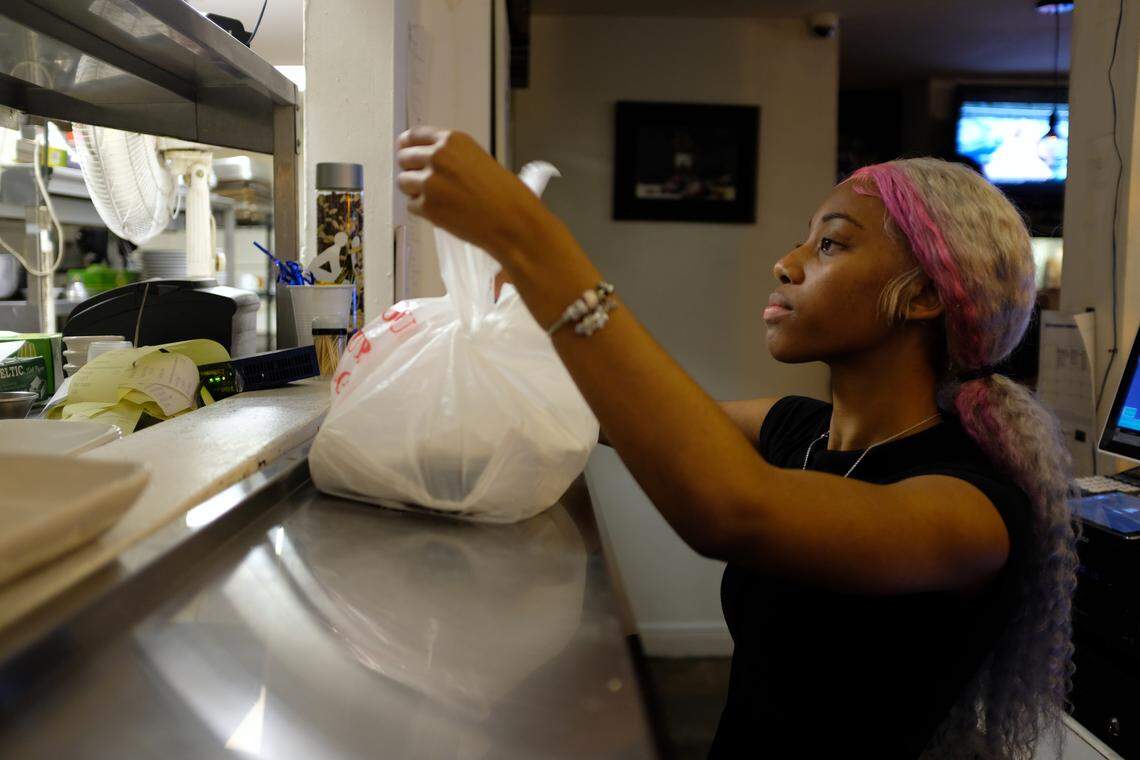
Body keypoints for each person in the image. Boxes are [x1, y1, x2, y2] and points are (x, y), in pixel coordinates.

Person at [394, 127, 1078, 759]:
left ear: (923, 296)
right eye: (804, 241)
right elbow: (623, 418)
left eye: (831, 245)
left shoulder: (973, 509)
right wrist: (512, 327)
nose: (786, 264)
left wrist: (536, 242)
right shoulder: (798, 430)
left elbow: (731, 509)